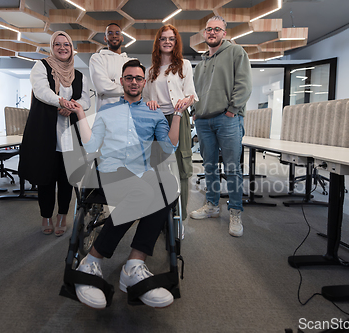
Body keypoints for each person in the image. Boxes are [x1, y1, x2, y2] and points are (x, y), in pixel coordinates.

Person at [67, 59, 181, 309]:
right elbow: (91, 146)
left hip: (141, 172)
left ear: (144, 82)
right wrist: (80, 114)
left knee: (168, 186)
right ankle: (91, 260)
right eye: (128, 77)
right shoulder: (107, 112)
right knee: (142, 191)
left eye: (138, 78)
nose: (133, 82)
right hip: (110, 172)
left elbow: (168, 147)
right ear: (121, 81)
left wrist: (178, 115)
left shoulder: (154, 112)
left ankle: (134, 264)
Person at [18, 31, 90, 237]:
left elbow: (86, 101)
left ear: (71, 47)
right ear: (52, 47)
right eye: (58, 44)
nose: (62, 48)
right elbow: (41, 91)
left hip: (69, 134)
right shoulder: (41, 66)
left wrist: (73, 106)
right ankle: (46, 216)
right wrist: (62, 101)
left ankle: (62, 216)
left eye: (66, 44)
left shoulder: (79, 75)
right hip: (45, 131)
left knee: (67, 178)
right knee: (45, 177)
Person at [189, 16, 252, 237]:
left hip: (228, 119)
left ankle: (235, 211)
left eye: (217, 29)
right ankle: (212, 206)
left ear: (224, 33)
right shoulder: (202, 63)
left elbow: (244, 84)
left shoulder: (236, 52)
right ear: (204, 34)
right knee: (209, 167)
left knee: (232, 169)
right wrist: (195, 113)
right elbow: (195, 92)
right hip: (204, 121)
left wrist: (232, 109)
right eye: (209, 29)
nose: (212, 32)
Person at [144, 24, 198, 222]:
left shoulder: (184, 65)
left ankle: (179, 218)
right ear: (158, 42)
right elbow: (146, 99)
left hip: (179, 117)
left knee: (181, 165)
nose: (167, 42)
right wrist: (149, 102)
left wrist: (186, 101)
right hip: (157, 121)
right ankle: (158, 218)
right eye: (163, 38)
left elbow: (191, 93)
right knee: (158, 167)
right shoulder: (150, 71)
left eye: (171, 39)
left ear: (176, 42)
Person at [89, 23, 132, 110]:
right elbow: (102, 88)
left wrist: (112, 82)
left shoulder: (131, 62)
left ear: (122, 38)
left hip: (128, 114)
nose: (114, 36)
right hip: (105, 114)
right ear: (105, 38)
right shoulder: (97, 58)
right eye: (110, 33)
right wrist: (129, 89)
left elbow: (139, 88)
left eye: (117, 33)